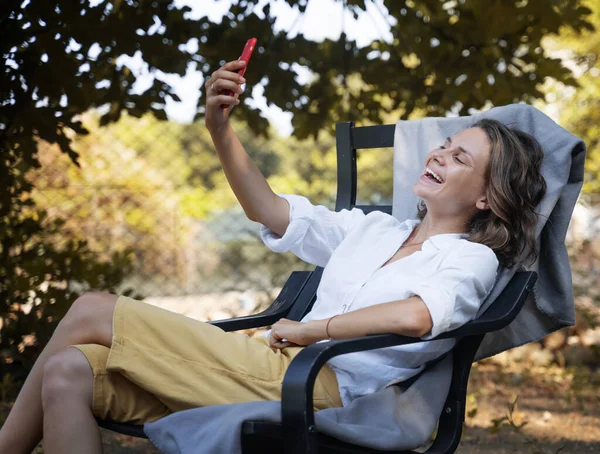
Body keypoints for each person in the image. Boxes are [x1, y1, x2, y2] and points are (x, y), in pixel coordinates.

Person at [0, 59, 546, 454]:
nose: (439, 155)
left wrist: (315, 330)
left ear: (486, 196)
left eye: (459, 158)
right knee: (70, 370)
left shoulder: (472, 259)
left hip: (321, 385)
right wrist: (220, 129)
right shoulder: (374, 230)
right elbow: (270, 210)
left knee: (93, 309)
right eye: (444, 146)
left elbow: (416, 316)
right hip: (274, 366)